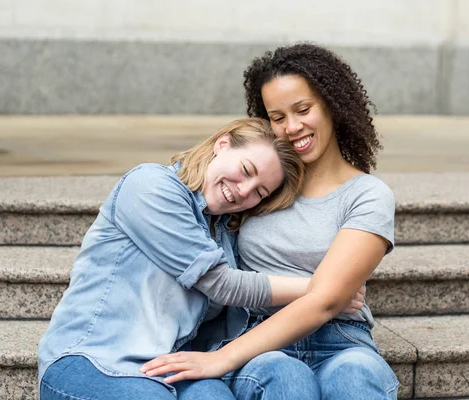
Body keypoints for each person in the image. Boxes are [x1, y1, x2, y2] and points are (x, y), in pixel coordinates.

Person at [142, 43, 399, 399]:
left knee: (355, 375)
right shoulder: (256, 185)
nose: (293, 127)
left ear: (332, 105)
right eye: (277, 117)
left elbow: (326, 302)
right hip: (258, 342)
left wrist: (220, 360)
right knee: (284, 375)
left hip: (342, 340)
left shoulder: (368, 195)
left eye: (303, 109)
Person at [38, 118, 319, 400]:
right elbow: (221, 284)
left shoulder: (223, 231)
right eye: (246, 170)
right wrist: (325, 289)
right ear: (222, 144)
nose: (245, 191)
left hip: (166, 366)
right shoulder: (150, 186)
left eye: (260, 192)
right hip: (92, 360)